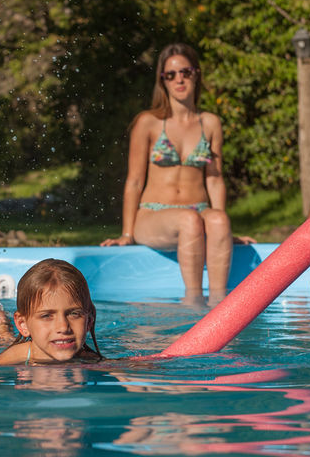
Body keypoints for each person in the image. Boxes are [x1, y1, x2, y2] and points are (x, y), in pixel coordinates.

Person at [101, 42, 244, 306]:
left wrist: (221, 230)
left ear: (196, 74)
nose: (179, 79)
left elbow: (214, 178)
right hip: (154, 214)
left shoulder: (210, 123)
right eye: (171, 74)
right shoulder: (148, 122)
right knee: (188, 221)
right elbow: (134, 181)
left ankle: (220, 305)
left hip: (198, 210)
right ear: (162, 80)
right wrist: (126, 233)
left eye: (185, 72)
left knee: (219, 220)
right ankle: (193, 303)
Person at [0, 258, 102, 365]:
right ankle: (0, 323)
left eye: (74, 314)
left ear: (88, 321)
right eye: (46, 315)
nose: (63, 327)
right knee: (6, 340)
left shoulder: (90, 359)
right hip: (21, 349)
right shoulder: (19, 355)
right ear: (23, 324)